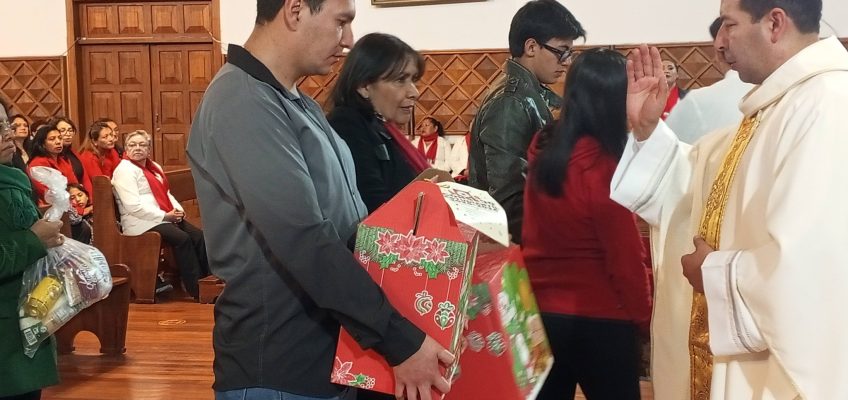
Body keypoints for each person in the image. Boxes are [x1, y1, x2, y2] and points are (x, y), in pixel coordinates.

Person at [186, 1, 454, 400]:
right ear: (295, 10)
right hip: (279, 364)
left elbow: (349, 224)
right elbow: (303, 239)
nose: (348, 40)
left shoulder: (298, 102)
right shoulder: (241, 100)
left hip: (329, 350)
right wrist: (399, 340)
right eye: (341, 22)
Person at [610, 0, 848, 398]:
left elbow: (820, 266)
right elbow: (700, 179)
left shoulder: (827, 105)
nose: (718, 42)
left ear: (774, 23)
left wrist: (717, 275)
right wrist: (648, 130)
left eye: (729, 25)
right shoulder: (780, 105)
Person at [523, 48, 651, 400]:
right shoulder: (603, 163)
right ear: (613, 100)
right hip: (602, 317)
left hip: (541, 314)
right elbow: (625, 258)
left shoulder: (544, 146)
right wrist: (645, 318)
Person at [468, 0, 585, 244]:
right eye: (561, 51)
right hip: (517, 244)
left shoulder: (528, 93)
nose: (566, 61)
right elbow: (508, 200)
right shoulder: (510, 102)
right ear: (531, 47)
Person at [327, 32, 430, 214]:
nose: (414, 92)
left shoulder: (379, 126)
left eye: (413, 80)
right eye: (400, 80)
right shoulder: (347, 125)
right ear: (364, 86)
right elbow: (374, 206)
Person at [0, 121, 65, 400]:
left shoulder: (13, 176)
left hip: (26, 313)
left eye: (5, 123)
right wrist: (34, 240)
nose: (7, 133)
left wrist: (48, 233)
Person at [112, 130, 209, 300]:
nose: (137, 148)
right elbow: (133, 207)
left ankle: (208, 281)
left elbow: (166, 192)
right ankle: (195, 289)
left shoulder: (154, 167)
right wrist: (165, 216)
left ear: (149, 149)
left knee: (198, 236)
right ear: (126, 149)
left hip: (163, 216)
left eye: (142, 145)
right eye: (132, 145)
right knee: (182, 239)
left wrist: (178, 210)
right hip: (141, 221)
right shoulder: (125, 170)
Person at [666, 18, 754, 144]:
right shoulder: (781, 94)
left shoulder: (697, 102)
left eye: (670, 68)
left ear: (719, 51)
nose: (666, 72)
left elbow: (666, 151)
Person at [27, 123, 93, 207]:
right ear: (42, 144)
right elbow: (48, 194)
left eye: (60, 138)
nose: (58, 142)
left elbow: (75, 187)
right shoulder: (37, 164)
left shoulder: (63, 160)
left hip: (73, 205)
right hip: (52, 208)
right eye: (52, 139)